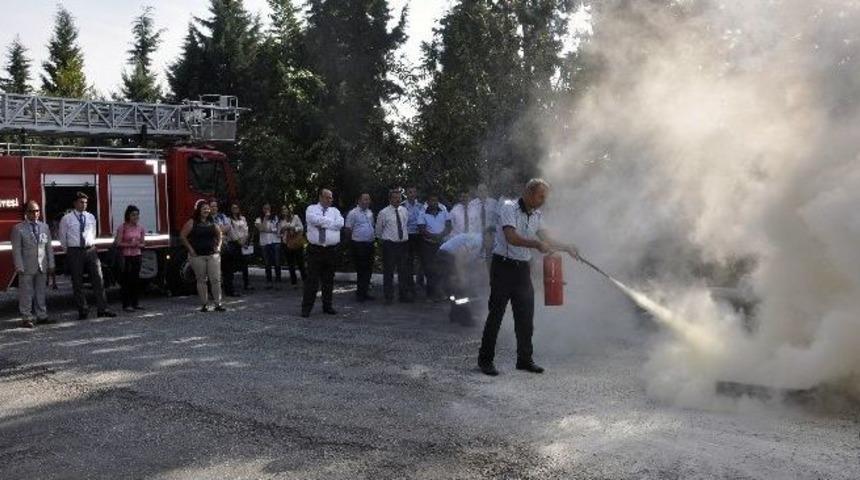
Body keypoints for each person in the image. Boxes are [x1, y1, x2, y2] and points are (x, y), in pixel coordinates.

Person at [477, 179, 580, 376]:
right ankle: (485, 360)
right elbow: (511, 237)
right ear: (529, 193)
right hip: (503, 267)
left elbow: (547, 239)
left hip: (522, 270)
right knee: (496, 315)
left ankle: (524, 360)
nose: (543, 200)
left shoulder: (537, 215)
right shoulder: (509, 208)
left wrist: (567, 247)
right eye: (541, 196)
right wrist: (536, 245)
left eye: (545, 197)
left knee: (525, 317)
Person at [59, 192, 115, 320]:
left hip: (90, 250)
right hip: (74, 251)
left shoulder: (90, 217)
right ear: (75, 203)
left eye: (85, 202)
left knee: (98, 279)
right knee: (77, 282)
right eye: (81, 202)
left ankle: (103, 309)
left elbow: (93, 233)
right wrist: (69, 250)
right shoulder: (67, 218)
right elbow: (62, 237)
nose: (84, 205)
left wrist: (91, 245)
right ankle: (83, 310)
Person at [11, 201, 55, 328]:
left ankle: (42, 316)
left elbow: (49, 247)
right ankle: (27, 317)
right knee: (26, 293)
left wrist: (51, 263)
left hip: (42, 265)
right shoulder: (18, 228)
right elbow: (16, 250)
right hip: (26, 266)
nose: (35, 213)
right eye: (31, 211)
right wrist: (19, 266)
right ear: (26, 213)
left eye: (37, 211)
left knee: (41, 292)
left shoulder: (44, 227)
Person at [438, 229, 495, 326]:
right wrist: (461, 276)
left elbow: (481, 266)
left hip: (450, 256)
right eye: (493, 239)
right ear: (487, 235)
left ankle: (455, 315)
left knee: (454, 289)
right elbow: (460, 256)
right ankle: (465, 319)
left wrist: (489, 282)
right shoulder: (477, 240)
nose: (494, 242)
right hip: (446, 255)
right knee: (460, 287)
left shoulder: (483, 248)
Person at [301, 188, 344, 317]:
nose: (329, 200)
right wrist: (331, 224)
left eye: (331, 197)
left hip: (331, 250)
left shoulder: (335, 211)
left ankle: (327, 306)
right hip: (315, 250)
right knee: (312, 281)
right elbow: (313, 220)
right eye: (327, 197)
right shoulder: (311, 209)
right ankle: (306, 308)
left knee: (328, 280)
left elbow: (340, 224)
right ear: (320, 197)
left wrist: (323, 222)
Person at [180, 200, 226, 312]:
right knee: (201, 280)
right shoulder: (192, 222)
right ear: (199, 210)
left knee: (215, 280)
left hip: (212, 255)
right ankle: (204, 304)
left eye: (208, 208)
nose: (206, 210)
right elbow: (182, 236)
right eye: (204, 208)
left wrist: (219, 247)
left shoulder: (212, 221)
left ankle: (218, 304)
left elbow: (220, 235)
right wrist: (190, 250)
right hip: (198, 256)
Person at [375, 189, 412, 304]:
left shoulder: (404, 210)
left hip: (403, 245)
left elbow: (406, 225)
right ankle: (388, 297)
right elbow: (379, 230)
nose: (397, 200)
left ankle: (403, 295)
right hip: (390, 245)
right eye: (395, 197)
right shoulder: (383, 212)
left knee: (403, 271)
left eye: (399, 197)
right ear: (390, 199)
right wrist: (386, 240)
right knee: (389, 272)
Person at [417, 193, 452, 301]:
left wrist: (440, 236)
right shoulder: (422, 212)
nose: (434, 203)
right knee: (430, 270)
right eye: (432, 200)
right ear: (428, 202)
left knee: (442, 268)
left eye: (436, 200)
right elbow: (421, 229)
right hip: (428, 245)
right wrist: (434, 236)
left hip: (441, 244)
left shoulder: (443, 210)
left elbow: (449, 226)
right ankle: (431, 294)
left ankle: (442, 293)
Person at [114, 205, 146, 312]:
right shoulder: (122, 227)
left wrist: (138, 244)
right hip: (126, 257)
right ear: (128, 215)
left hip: (137, 255)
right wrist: (129, 244)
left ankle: (135, 303)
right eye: (133, 215)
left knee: (135, 279)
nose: (135, 217)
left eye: (137, 215)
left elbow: (143, 243)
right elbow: (118, 243)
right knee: (126, 281)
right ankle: (126, 304)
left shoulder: (140, 228)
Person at [345, 193, 375, 302]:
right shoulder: (353, 213)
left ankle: (365, 292)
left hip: (369, 244)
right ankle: (360, 294)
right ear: (358, 200)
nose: (367, 201)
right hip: (358, 245)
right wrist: (353, 242)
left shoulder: (370, 213)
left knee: (368, 269)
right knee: (361, 269)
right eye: (364, 199)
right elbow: (348, 230)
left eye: (368, 199)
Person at [210, 199, 236, 296]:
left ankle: (230, 291)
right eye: (212, 206)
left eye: (215, 206)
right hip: (213, 247)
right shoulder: (207, 218)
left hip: (225, 245)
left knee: (228, 270)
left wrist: (218, 230)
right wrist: (221, 229)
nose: (214, 208)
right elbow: (212, 231)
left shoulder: (222, 216)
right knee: (215, 272)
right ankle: (215, 294)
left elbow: (229, 227)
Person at [224, 203, 250, 296]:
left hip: (243, 243)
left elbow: (246, 230)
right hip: (233, 244)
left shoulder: (243, 218)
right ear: (230, 209)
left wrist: (244, 240)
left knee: (245, 265)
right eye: (233, 207)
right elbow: (231, 232)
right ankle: (231, 287)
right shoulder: (228, 219)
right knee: (231, 267)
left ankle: (246, 284)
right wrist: (238, 241)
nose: (235, 209)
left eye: (237, 207)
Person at [255, 203, 282, 289]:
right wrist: (265, 218)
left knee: (277, 262)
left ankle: (278, 281)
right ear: (262, 210)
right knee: (267, 263)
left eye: (268, 208)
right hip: (265, 243)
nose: (267, 210)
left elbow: (278, 229)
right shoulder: (259, 219)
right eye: (265, 208)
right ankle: (269, 281)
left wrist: (269, 230)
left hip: (275, 242)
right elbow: (261, 228)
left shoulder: (275, 218)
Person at [403, 186, 425, 288]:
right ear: (406, 194)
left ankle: (419, 281)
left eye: (414, 192)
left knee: (421, 259)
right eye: (410, 192)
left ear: (416, 194)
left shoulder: (421, 206)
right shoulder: (402, 206)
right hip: (408, 236)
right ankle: (409, 282)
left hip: (419, 235)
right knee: (409, 260)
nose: (412, 194)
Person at [279, 205, 306, 287]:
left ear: (288, 210)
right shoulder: (281, 220)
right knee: (290, 264)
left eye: (285, 208)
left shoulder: (295, 217)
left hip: (297, 242)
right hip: (287, 243)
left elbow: (301, 228)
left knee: (300, 262)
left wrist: (292, 227)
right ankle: (294, 282)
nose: (284, 210)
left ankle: (305, 280)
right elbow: (279, 233)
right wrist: (282, 230)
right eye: (282, 209)